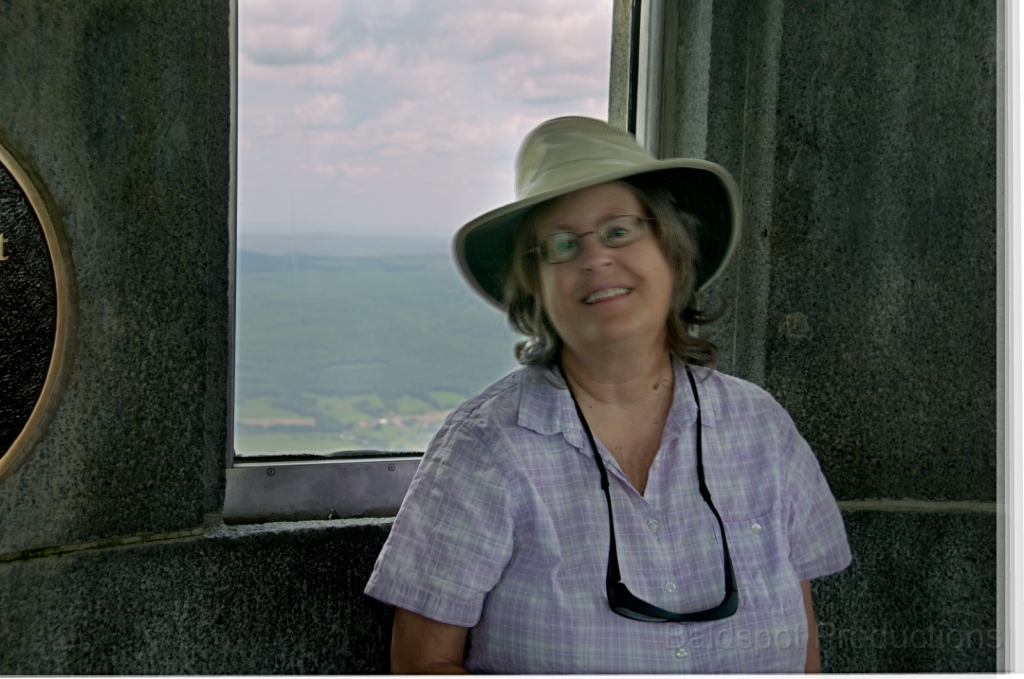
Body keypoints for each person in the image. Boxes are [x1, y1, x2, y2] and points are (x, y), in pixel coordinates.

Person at [364, 116, 851, 674]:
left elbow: (805, 650)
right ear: (537, 290)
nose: (594, 259)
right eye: (562, 245)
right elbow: (423, 666)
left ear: (672, 251)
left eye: (619, 231)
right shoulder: (484, 449)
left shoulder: (761, 429)